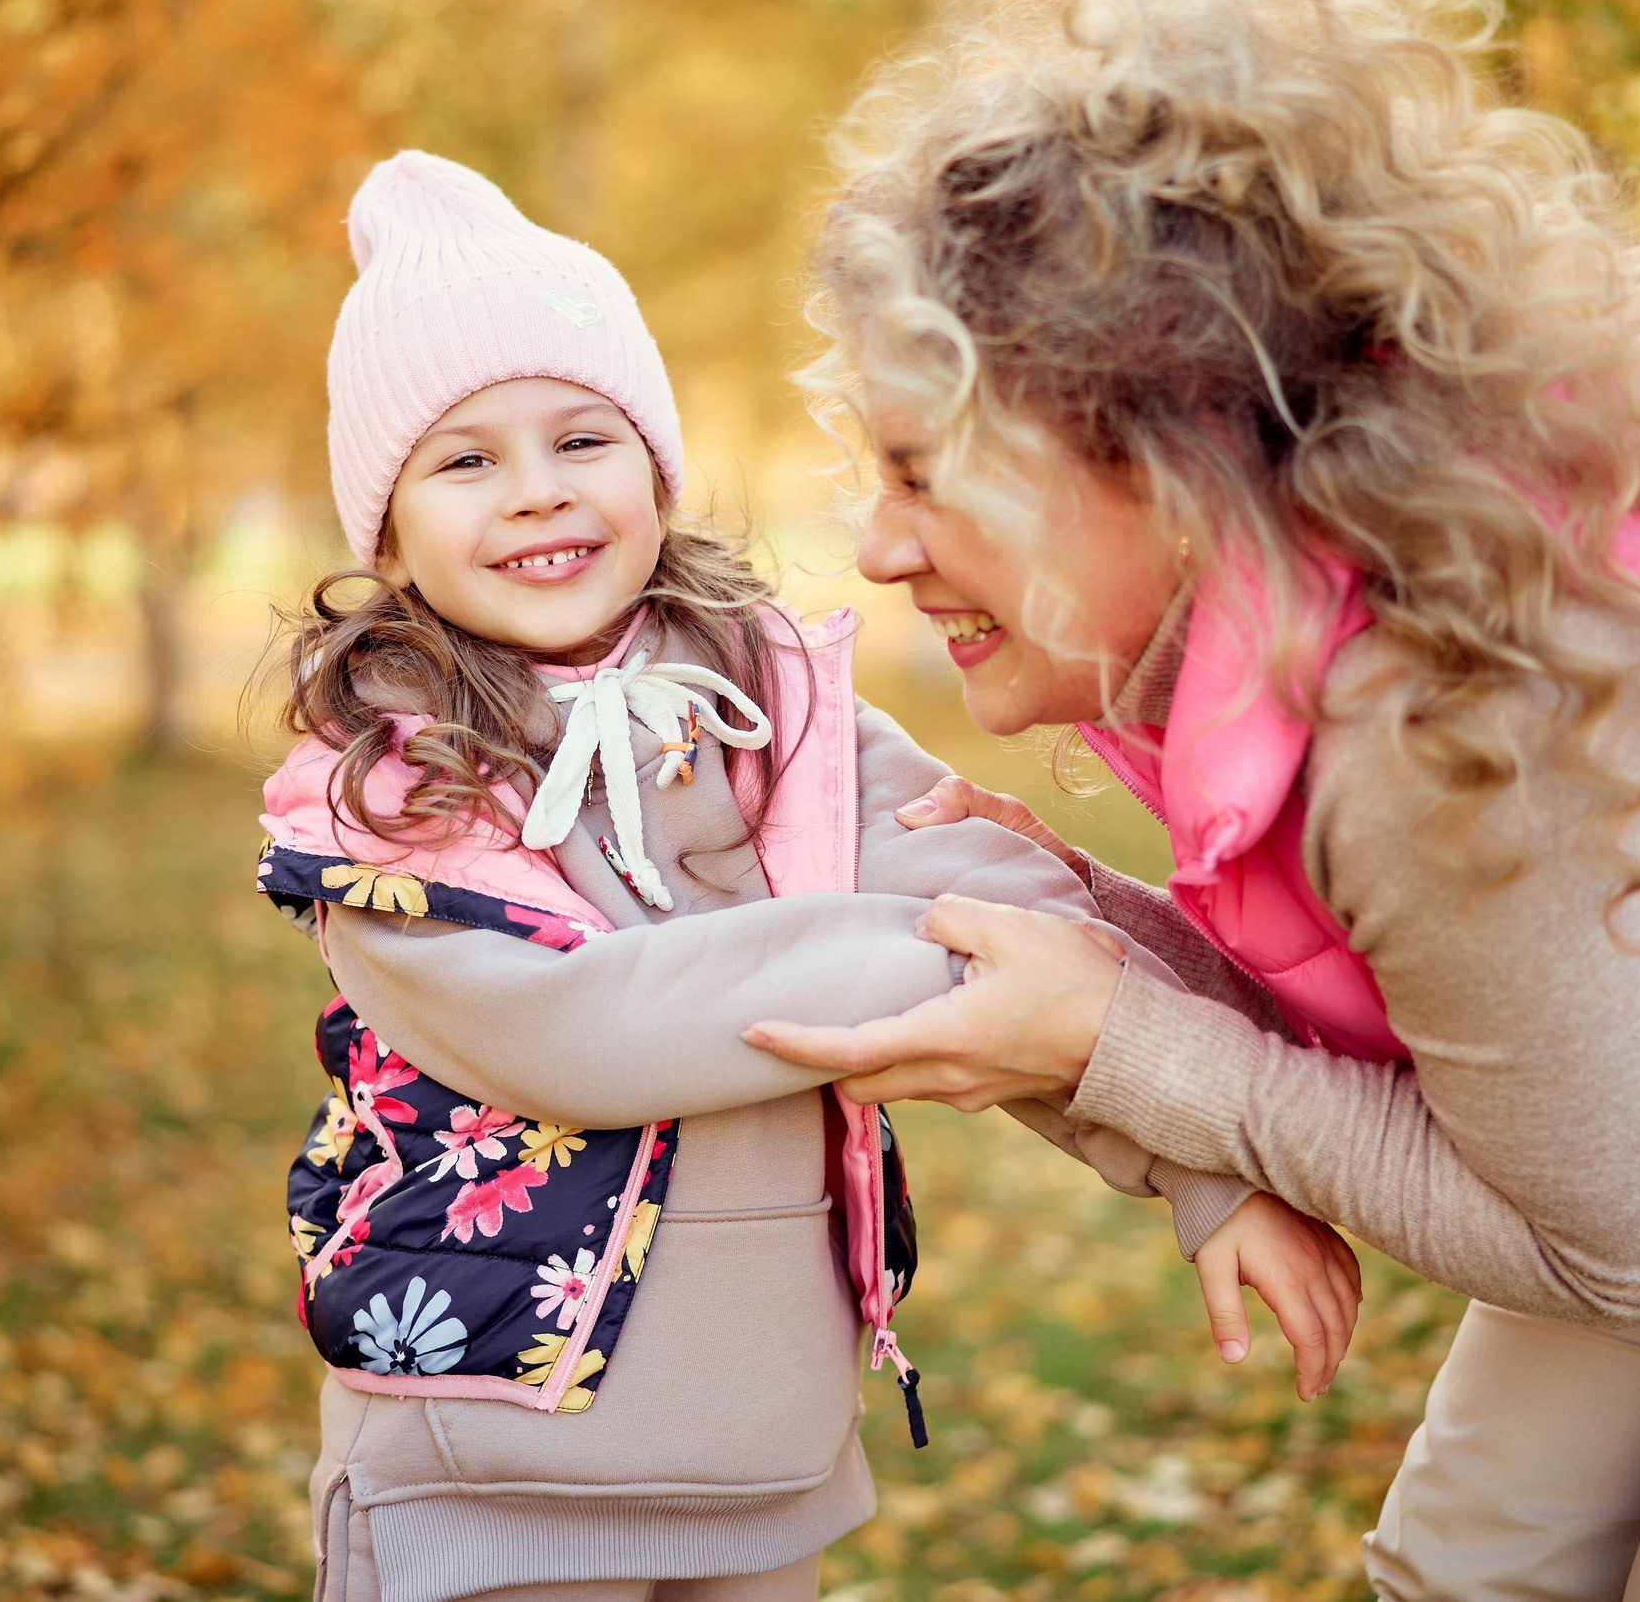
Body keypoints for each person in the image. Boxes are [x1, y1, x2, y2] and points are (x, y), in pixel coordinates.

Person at [747, 0, 1640, 1602]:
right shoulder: (1301, 571)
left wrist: (1117, 1040)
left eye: (926, 475)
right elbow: (1438, 1005)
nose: (875, 545)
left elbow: (1609, 1248)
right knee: (1473, 1565)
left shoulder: (1441, 711)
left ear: (1162, 459)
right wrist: (1095, 939)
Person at [255, 151, 1361, 1602]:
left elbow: (1012, 926)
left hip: (761, 1453)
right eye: (466, 461)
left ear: (653, 464)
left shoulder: (770, 703)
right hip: (487, 1461)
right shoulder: (387, 777)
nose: (536, 494)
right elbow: (573, 1031)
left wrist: (1203, 1164)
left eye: (582, 440)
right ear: (387, 531)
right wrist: (893, 943)